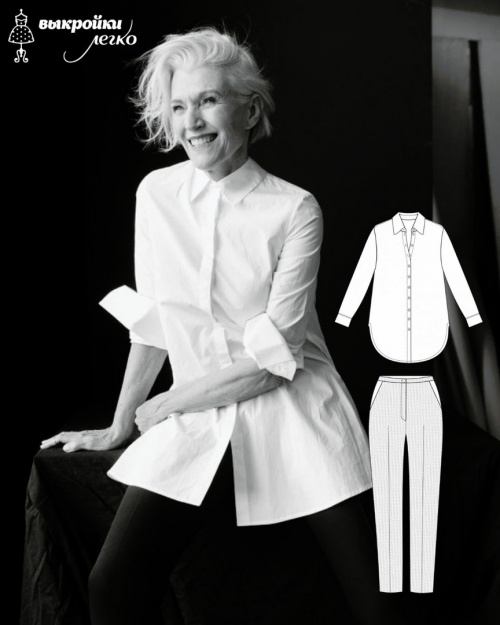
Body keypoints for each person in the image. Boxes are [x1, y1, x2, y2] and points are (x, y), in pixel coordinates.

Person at [41, 27, 403, 625]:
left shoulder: (294, 208)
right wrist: (121, 423)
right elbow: (153, 323)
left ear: (250, 109)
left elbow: (276, 362)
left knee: (380, 603)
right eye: (179, 106)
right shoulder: (155, 194)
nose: (191, 122)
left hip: (296, 409)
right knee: (112, 587)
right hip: (201, 414)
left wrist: (167, 403)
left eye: (208, 100)